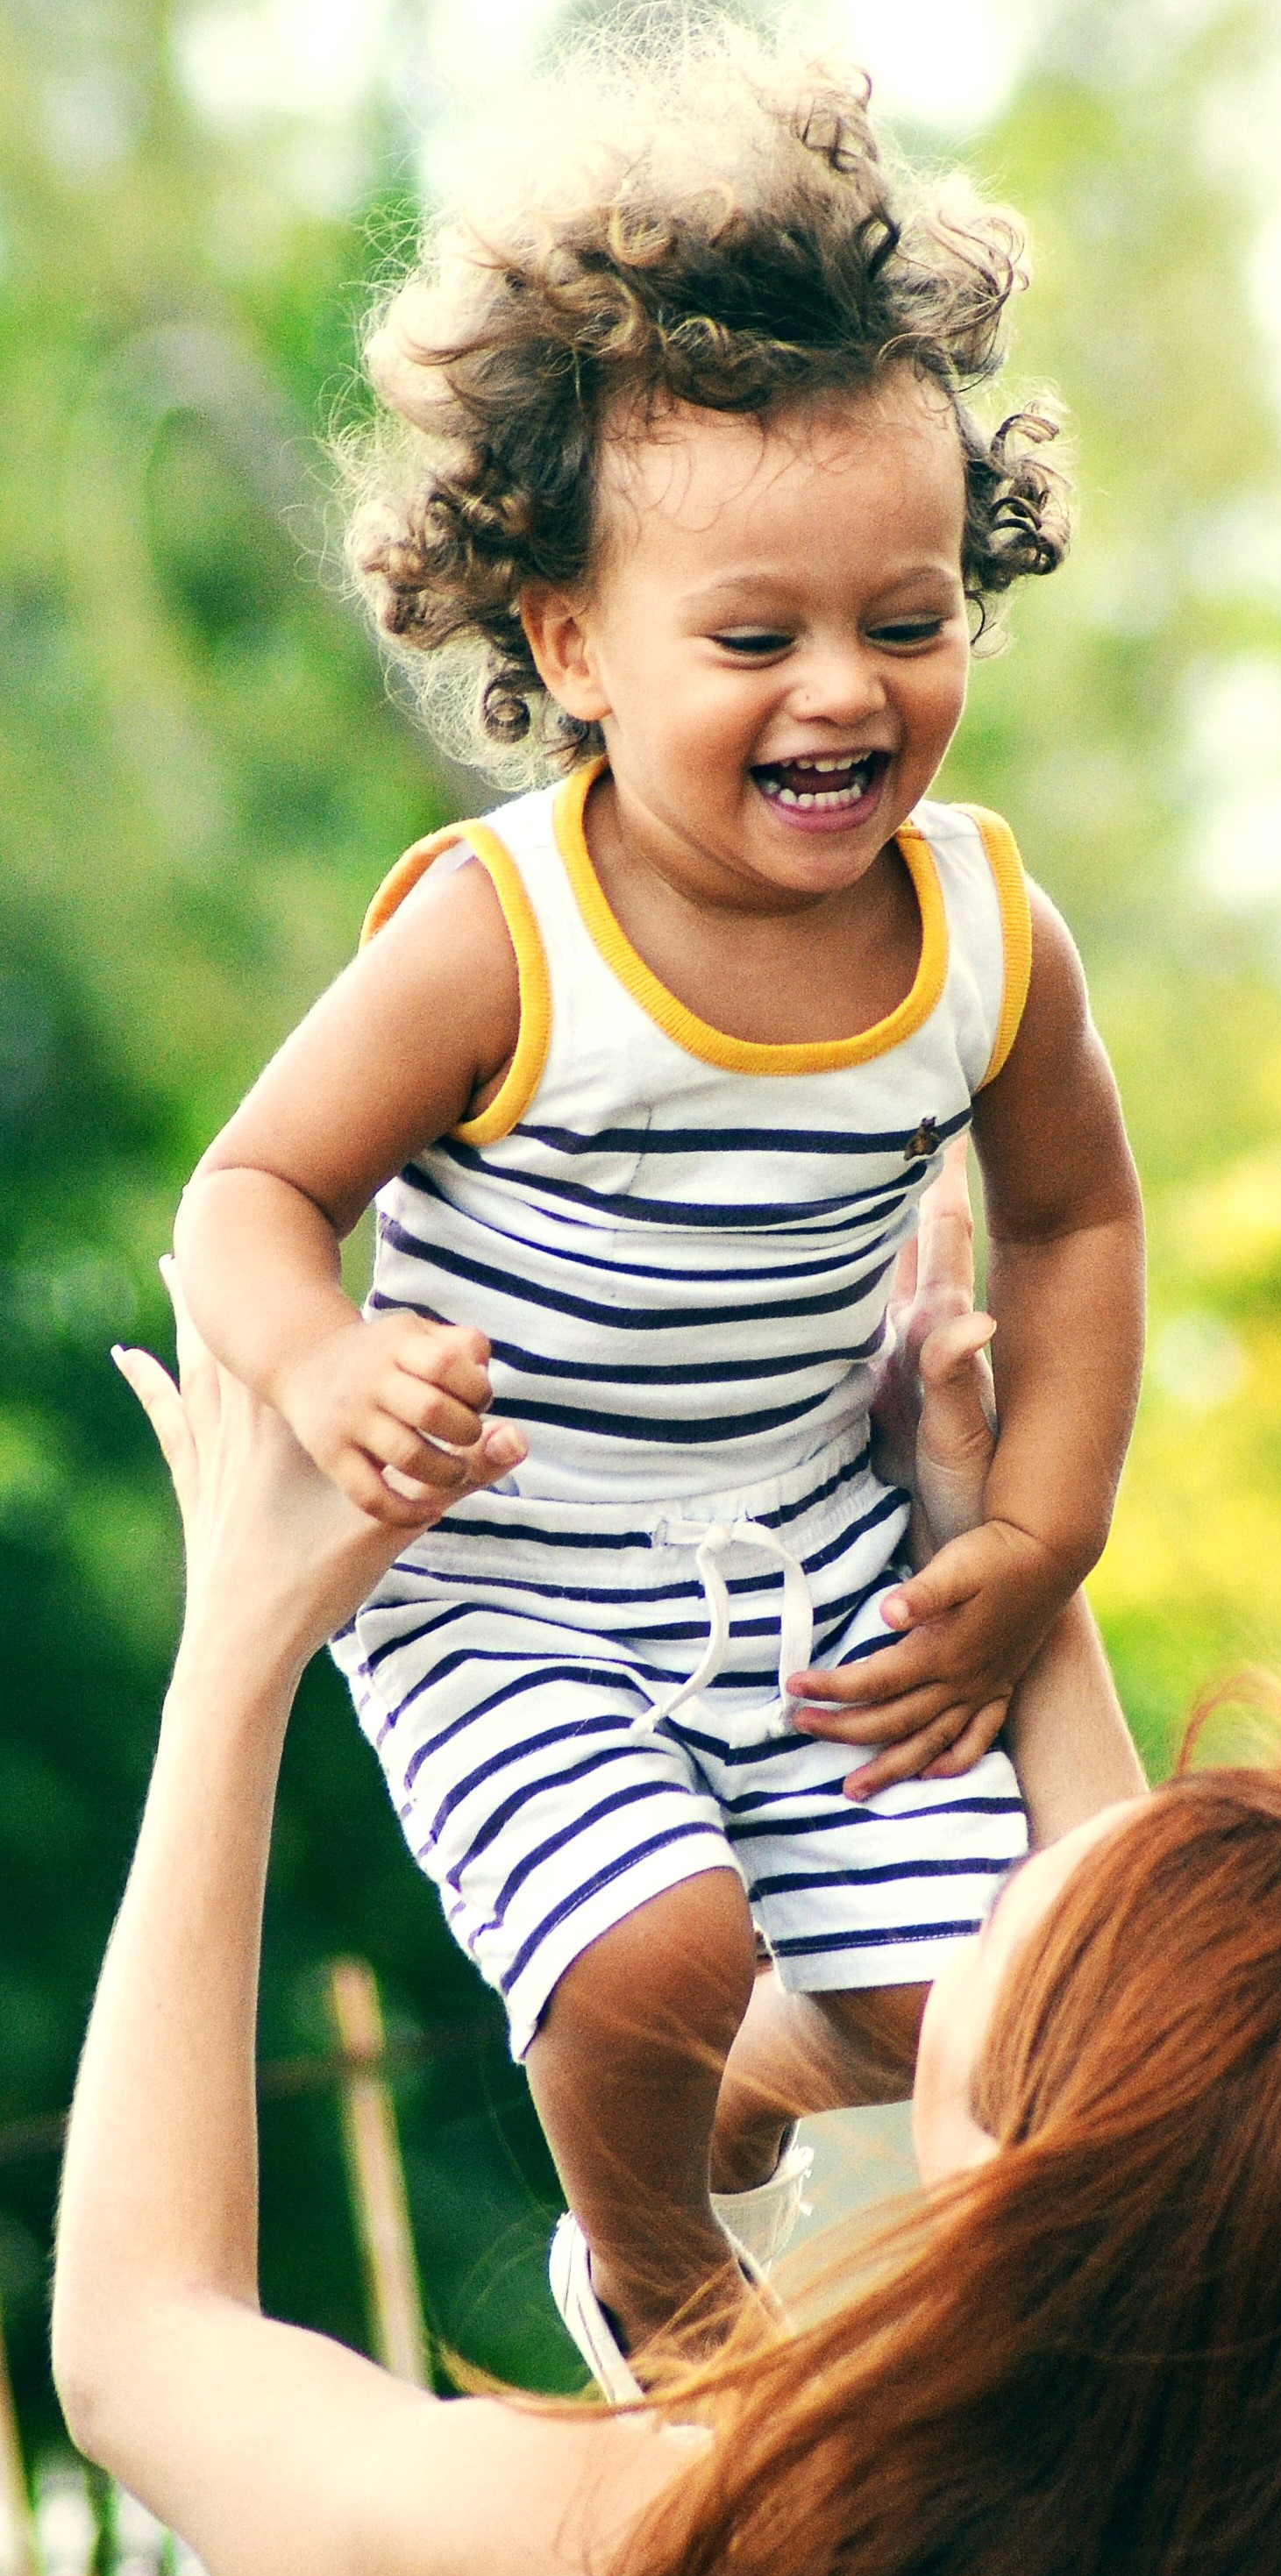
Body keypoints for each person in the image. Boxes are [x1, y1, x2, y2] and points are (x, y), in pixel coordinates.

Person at [53, 1264, 1281, 2576]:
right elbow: (1199, 2123)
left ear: (1010, 2195)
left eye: (999, 1926)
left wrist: (239, 1649)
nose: (991, 1882)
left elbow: (146, 2348)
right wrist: (991, 1557)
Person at [170, 32, 1145, 2385]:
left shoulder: (986, 935)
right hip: (509, 1571)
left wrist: (1032, 1539)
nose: (843, 692)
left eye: (905, 621)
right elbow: (247, 1189)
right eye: (755, 639)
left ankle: (729, 2088)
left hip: (808, 1550)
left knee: (977, 2015)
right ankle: (668, 2291)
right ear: (568, 642)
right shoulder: (504, 938)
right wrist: (325, 1361)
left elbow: (1082, 1227)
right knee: (645, 1953)